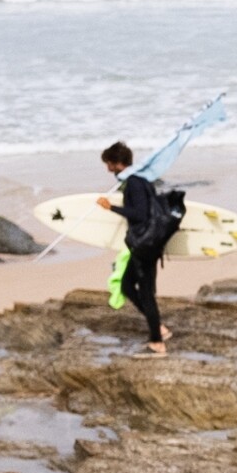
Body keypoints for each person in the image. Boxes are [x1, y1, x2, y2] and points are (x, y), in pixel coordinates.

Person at [95, 142, 170, 357]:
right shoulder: (142, 180)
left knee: (146, 293)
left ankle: (157, 342)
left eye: (109, 164)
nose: (108, 168)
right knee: (128, 286)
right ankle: (159, 330)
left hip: (145, 246)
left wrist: (111, 207)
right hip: (147, 244)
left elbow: (139, 214)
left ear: (117, 163)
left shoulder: (135, 183)